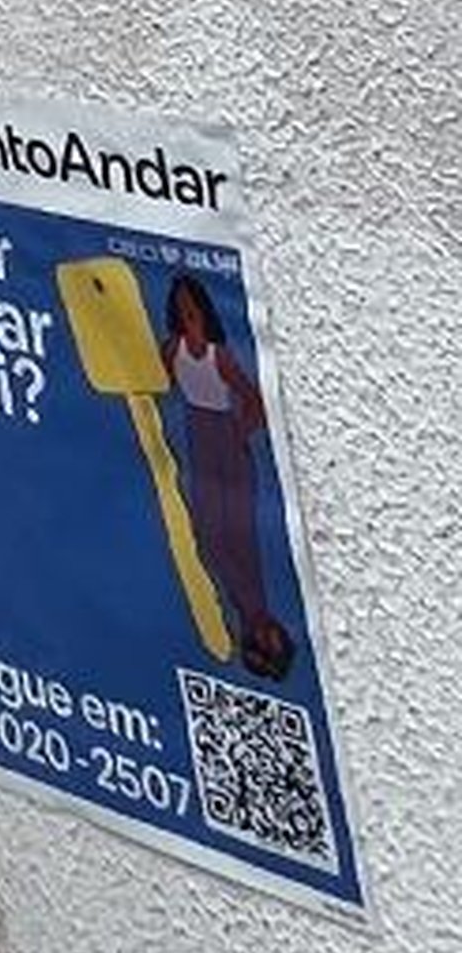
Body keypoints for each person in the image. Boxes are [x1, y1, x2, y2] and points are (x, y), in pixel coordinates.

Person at [166, 273, 293, 677]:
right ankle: (252, 618)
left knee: (238, 533)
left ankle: (255, 617)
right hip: (198, 430)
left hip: (224, 432)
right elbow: (163, 382)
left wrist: (241, 430)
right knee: (209, 531)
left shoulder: (219, 355)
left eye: (194, 306)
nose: (189, 314)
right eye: (182, 306)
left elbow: (252, 397)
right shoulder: (172, 349)